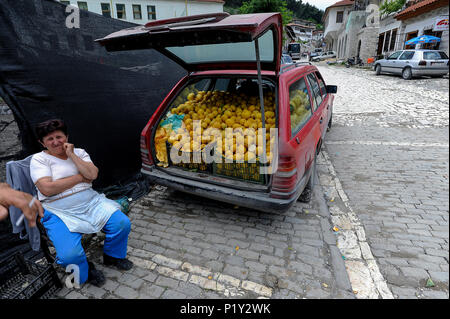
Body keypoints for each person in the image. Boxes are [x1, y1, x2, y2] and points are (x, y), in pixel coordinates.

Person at [30, 119, 133, 287]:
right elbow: (47, 189)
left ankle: (113, 256)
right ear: (42, 143)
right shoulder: (39, 160)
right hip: (59, 210)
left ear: (67, 137)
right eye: (50, 139)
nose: (56, 142)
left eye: (59, 136)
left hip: (91, 202)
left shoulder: (79, 152)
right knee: (69, 256)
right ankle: (86, 269)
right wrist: (79, 177)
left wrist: (71, 155)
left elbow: (92, 174)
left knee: (122, 223)